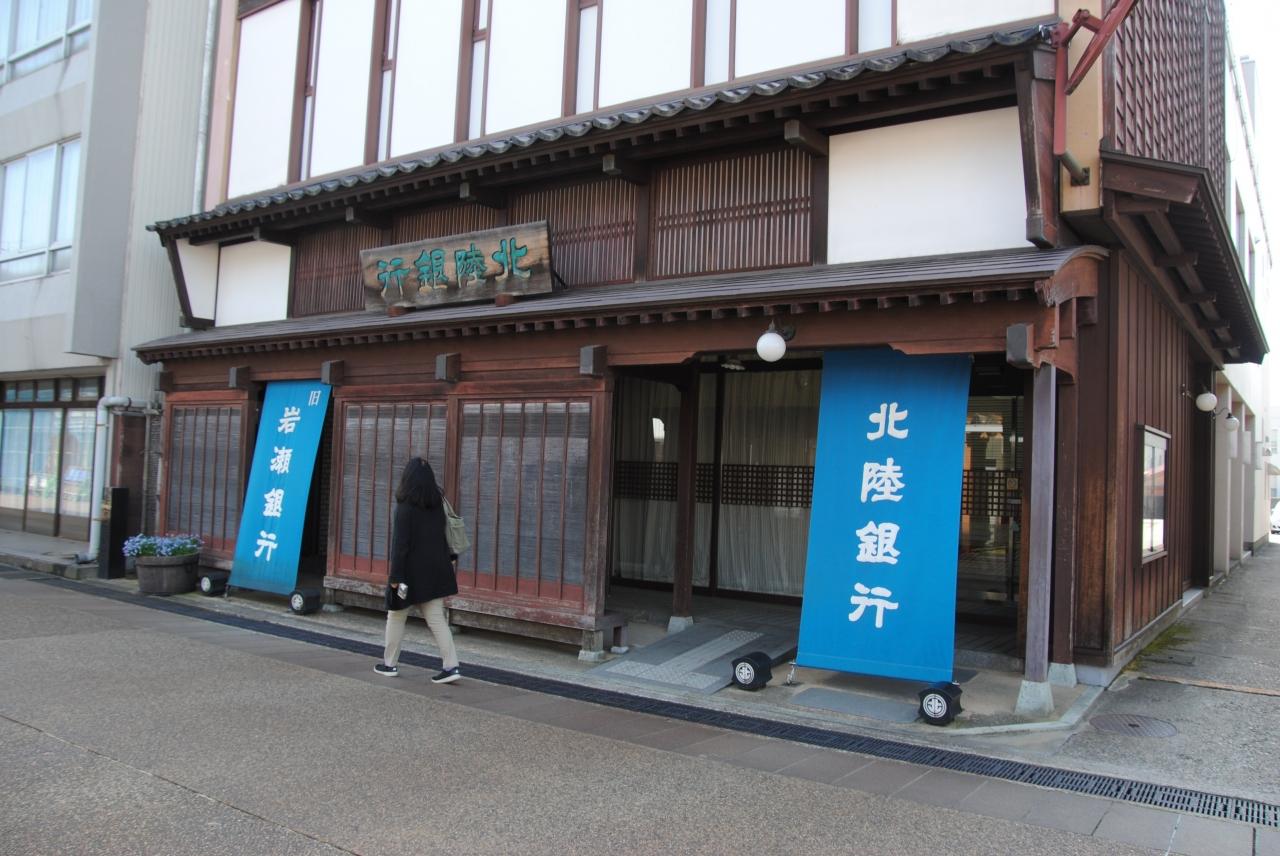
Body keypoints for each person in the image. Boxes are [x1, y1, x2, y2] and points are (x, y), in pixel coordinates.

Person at [374, 457, 461, 683]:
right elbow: (444, 538)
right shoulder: (438, 505)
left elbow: (400, 547)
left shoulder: (405, 508)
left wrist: (395, 579)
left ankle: (389, 664)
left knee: (396, 616)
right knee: (437, 619)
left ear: (407, 479)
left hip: (408, 576)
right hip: (435, 573)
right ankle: (451, 666)